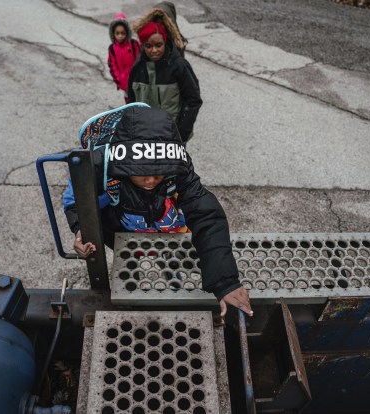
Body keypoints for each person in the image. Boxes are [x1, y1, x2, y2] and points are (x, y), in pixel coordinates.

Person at [63, 104, 252, 318]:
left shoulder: (177, 164)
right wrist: (81, 229)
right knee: (130, 262)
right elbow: (75, 202)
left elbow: (205, 212)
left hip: (165, 227)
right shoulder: (99, 165)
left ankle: (174, 279)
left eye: (159, 172)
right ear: (122, 163)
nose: (151, 180)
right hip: (122, 229)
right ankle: (134, 281)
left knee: (172, 259)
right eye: (141, 172)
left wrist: (225, 281)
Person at [127, 21, 201, 144]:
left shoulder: (179, 66)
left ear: (165, 42)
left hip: (172, 137)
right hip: (145, 136)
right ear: (143, 46)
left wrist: (180, 135)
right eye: (148, 46)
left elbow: (193, 101)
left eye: (158, 45)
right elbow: (131, 102)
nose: (154, 50)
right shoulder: (137, 68)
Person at [107, 13, 140, 103]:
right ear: (113, 33)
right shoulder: (112, 48)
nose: (120, 36)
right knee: (128, 99)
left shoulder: (133, 44)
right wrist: (118, 79)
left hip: (137, 80)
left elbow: (139, 60)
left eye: (123, 33)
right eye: (117, 33)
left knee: (138, 98)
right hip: (124, 82)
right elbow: (112, 65)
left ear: (127, 33)